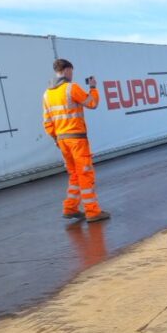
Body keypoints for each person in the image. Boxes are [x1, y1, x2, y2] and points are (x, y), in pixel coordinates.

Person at [42, 59, 110, 222]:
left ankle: (70, 208)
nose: (72, 75)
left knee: (74, 175)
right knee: (85, 173)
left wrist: (56, 139)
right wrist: (93, 87)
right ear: (66, 71)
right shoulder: (71, 88)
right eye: (71, 71)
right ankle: (92, 212)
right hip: (77, 140)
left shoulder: (47, 94)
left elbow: (47, 123)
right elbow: (92, 103)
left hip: (62, 141)